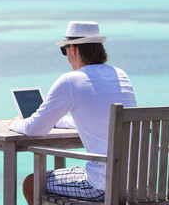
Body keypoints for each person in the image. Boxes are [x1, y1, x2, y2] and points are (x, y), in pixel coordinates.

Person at [9, 21, 137, 204]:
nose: (67, 56)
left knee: (32, 182)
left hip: (103, 186)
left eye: (65, 51)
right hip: (139, 186)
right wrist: (58, 122)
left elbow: (34, 129)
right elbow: (101, 120)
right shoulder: (121, 75)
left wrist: (15, 123)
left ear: (74, 49)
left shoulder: (70, 81)